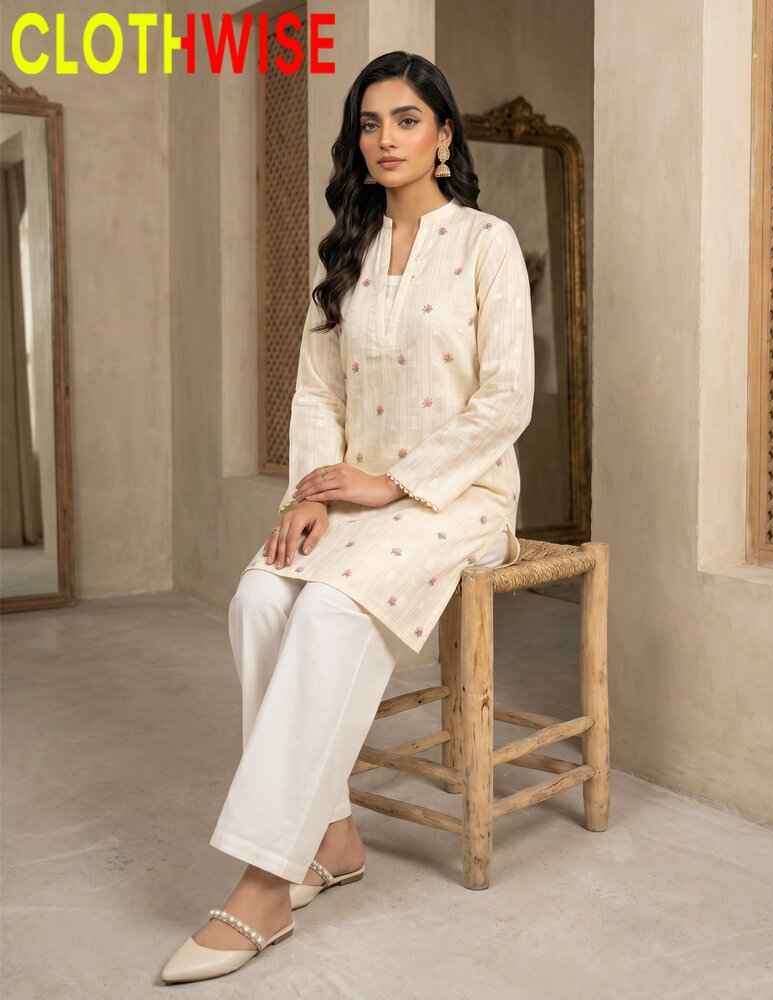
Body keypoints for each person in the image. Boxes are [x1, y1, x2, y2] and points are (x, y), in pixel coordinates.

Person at [160, 49, 535, 985]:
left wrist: (394, 482)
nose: (385, 139)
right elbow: (316, 393)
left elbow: (505, 400)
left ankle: (263, 882)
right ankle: (331, 833)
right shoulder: (348, 254)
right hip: (354, 493)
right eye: (370, 123)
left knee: (327, 610)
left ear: (444, 134)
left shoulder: (485, 241)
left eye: (407, 120)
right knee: (258, 598)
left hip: (460, 494)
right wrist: (310, 496)